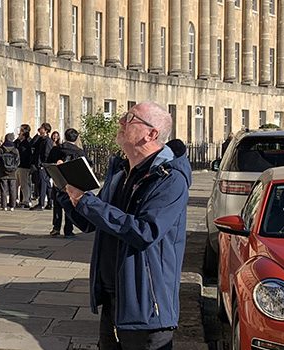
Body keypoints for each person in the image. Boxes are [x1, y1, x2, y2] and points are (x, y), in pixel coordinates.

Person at [55, 101, 191, 349]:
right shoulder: (121, 172)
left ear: (151, 134)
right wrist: (67, 192)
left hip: (146, 307)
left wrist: (88, 202)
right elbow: (90, 223)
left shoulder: (170, 179)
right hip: (113, 297)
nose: (121, 122)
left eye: (130, 117)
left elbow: (144, 231)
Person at [46, 128, 85, 237]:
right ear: (76, 138)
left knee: (57, 205)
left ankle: (56, 228)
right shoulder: (79, 152)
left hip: (58, 181)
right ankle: (68, 230)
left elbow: (48, 164)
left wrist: (52, 177)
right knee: (70, 206)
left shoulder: (56, 150)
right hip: (72, 183)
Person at [31, 123, 54, 210]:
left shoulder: (48, 141)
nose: (39, 129)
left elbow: (47, 154)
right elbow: (32, 144)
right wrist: (37, 135)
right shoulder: (41, 139)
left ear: (46, 130)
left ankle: (41, 204)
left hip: (43, 166)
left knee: (43, 184)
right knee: (47, 185)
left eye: (41, 128)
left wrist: (43, 164)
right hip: (40, 165)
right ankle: (50, 203)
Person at [0, 133, 21, 211]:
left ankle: (4, 206)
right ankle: (12, 206)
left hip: (3, 172)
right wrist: (14, 168)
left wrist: (2, 168)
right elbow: (18, 161)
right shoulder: (15, 150)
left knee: (4, 189)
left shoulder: (1, 149)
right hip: (13, 173)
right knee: (13, 189)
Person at [15, 124, 35, 208]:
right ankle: (15, 199)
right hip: (17, 166)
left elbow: (28, 154)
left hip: (24, 166)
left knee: (24, 184)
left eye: (21, 130)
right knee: (16, 184)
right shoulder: (18, 141)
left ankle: (26, 200)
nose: (19, 132)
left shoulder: (28, 142)